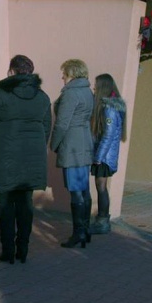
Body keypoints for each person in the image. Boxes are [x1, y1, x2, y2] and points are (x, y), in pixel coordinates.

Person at [0, 55, 52, 264]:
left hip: (3, 157)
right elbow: (45, 128)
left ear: (11, 71)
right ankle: (22, 249)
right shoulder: (42, 97)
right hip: (30, 160)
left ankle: (8, 251)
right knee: (25, 203)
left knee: (5, 205)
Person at [50, 59, 94, 249]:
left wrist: (53, 144)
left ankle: (79, 233)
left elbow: (62, 123)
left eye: (64, 73)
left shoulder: (71, 93)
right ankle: (85, 230)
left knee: (76, 190)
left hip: (72, 144)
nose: (62, 77)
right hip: (85, 141)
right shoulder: (87, 91)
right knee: (84, 188)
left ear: (72, 74)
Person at [89, 73, 127, 234]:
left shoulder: (109, 108)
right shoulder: (112, 106)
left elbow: (108, 135)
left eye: (96, 85)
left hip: (104, 157)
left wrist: (98, 157)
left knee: (101, 187)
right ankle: (102, 219)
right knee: (101, 187)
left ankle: (103, 221)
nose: (94, 88)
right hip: (105, 155)